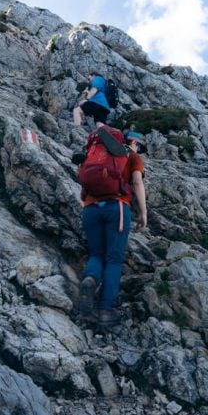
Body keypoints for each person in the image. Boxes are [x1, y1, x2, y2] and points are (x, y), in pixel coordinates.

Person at [77, 129, 148, 326]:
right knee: (114, 259)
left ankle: (90, 280)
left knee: (96, 254)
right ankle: (105, 311)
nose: (138, 149)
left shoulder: (96, 152)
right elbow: (136, 182)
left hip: (90, 208)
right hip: (116, 207)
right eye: (139, 145)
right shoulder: (132, 156)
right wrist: (143, 212)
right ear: (133, 143)